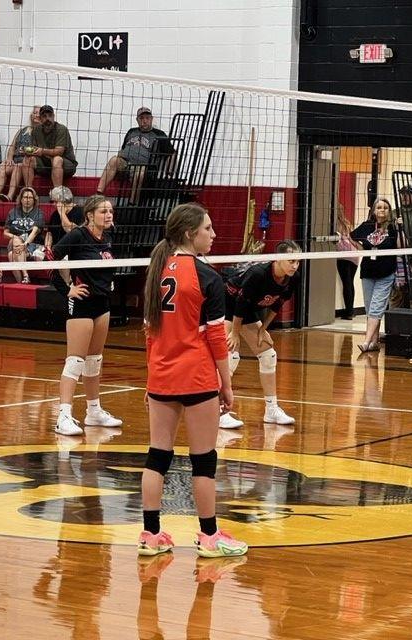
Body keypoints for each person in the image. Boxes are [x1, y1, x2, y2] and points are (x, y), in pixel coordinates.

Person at [139, 202, 247, 557]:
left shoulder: (157, 271)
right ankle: (210, 537)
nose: (214, 235)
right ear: (190, 234)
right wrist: (226, 384)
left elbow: (150, 333)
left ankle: (150, 534)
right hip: (197, 378)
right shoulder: (207, 277)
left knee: (158, 456)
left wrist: (151, 378)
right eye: (208, 229)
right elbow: (217, 338)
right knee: (203, 461)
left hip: (162, 377)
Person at [50, 194, 123, 436]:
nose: (109, 215)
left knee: (94, 360)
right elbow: (50, 260)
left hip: (102, 304)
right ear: (90, 215)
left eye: (110, 211)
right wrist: (66, 290)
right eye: (103, 211)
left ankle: (94, 411)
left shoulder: (108, 237)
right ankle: (63, 416)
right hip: (81, 304)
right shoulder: (78, 235)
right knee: (75, 361)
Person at [219, 240, 300, 430]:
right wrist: (235, 334)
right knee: (230, 354)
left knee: (268, 355)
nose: (294, 266)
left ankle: (271, 411)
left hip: (247, 310)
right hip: (228, 304)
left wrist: (263, 329)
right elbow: (240, 303)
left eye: (297, 261)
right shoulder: (258, 274)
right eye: (291, 261)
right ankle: (219, 412)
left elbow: (277, 304)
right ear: (278, 259)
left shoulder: (293, 277)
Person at [350, 197, 400, 353]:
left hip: (386, 272)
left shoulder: (392, 227)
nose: (382, 210)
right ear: (374, 210)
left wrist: (402, 228)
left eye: (385, 207)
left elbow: (400, 246)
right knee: (370, 307)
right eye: (379, 207)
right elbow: (352, 236)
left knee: (376, 308)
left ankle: (366, 342)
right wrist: (361, 250)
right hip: (368, 272)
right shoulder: (367, 226)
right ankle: (374, 341)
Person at [97, 107, 176, 202]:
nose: (144, 121)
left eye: (147, 118)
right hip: (126, 164)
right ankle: (98, 194)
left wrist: (170, 170)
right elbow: (124, 148)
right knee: (114, 159)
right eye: (141, 118)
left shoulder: (159, 134)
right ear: (137, 120)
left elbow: (171, 153)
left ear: (151, 119)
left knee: (140, 172)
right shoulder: (131, 131)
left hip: (144, 167)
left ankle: (133, 202)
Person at [0, 106, 41, 202]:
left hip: (28, 162)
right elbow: (12, 146)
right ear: (31, 115)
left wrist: (26, 152)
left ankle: (9, 196)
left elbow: (41, 150)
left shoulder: (43, 133)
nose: (36, 115)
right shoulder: (23, 130)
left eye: (39, 113)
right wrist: (9, 158)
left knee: (18, 166)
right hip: (16, 159)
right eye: (34, 112)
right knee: (3, 166)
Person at [21, 105, 77, 190]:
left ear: (54, 116)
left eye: (50, 116)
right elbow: (34, 149)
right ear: (40, 118)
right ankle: (28, 191)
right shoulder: (36, 130)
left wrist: (42, 151)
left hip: (66, 165)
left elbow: (59, 152)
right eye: (44, 116)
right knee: (27, 159)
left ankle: (57, 195)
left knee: (57, 159)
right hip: (46, 164)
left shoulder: (61, 129)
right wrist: (27, 151)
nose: (48, 119)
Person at [3, 187, 46, 284]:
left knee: (11, 255)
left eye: (30, 198)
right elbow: (5, 234)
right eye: (25, 197)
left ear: (34, 200)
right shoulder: (13, 212)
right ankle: (25, 276)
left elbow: (34, 232)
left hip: (33, 244)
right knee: (16, 240)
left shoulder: (39, 213)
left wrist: (25, 243)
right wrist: (15, 237)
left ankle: (20, 282)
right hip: (16, 243)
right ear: (21, 199)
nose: (27, 200)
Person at [336, 205, 360, 320]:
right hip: (354, 255)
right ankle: (351, 310)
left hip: (343, 256)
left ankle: (348, 312)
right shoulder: (347, 223)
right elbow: (353, 239)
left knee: (346, 283)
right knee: (350, 282)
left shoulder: (334, 224)